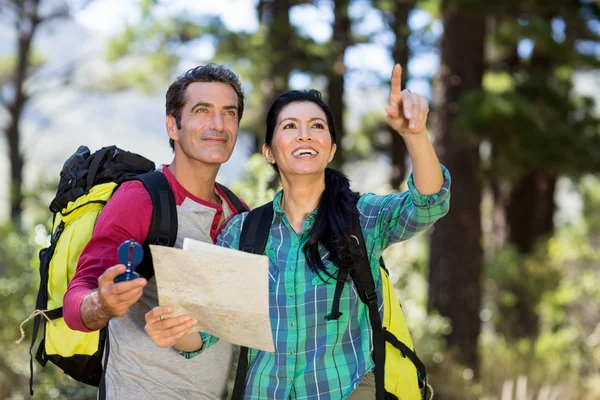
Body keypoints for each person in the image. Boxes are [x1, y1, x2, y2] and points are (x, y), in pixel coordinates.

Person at [145, 63, 451, 399]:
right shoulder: (243, 233)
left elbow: (428, 204)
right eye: (290, 126)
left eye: (317, 126)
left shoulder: (362, 217)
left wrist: (414, 134)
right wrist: (173, 329)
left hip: (346, 390)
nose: (304, 134)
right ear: (270, 152)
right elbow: (203, 335)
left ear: (331, 148)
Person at [63, 64, 247, 399]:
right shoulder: (140, 199)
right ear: (173, 126)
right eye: (202, 110)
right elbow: (77, 299)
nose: (218, 125)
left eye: (229, 113)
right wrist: (102, 303)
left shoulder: (239, 212)